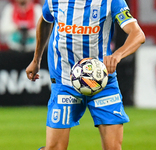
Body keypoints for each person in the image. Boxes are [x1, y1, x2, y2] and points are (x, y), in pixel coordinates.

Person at [26, 0, 145, 149]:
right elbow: (45, 20)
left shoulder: (111, 2)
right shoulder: (54, 1)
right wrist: (36, 60)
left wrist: (118, 55)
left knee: (113, 148)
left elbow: (138, 34)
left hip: (102, 82)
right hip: (65, 82)